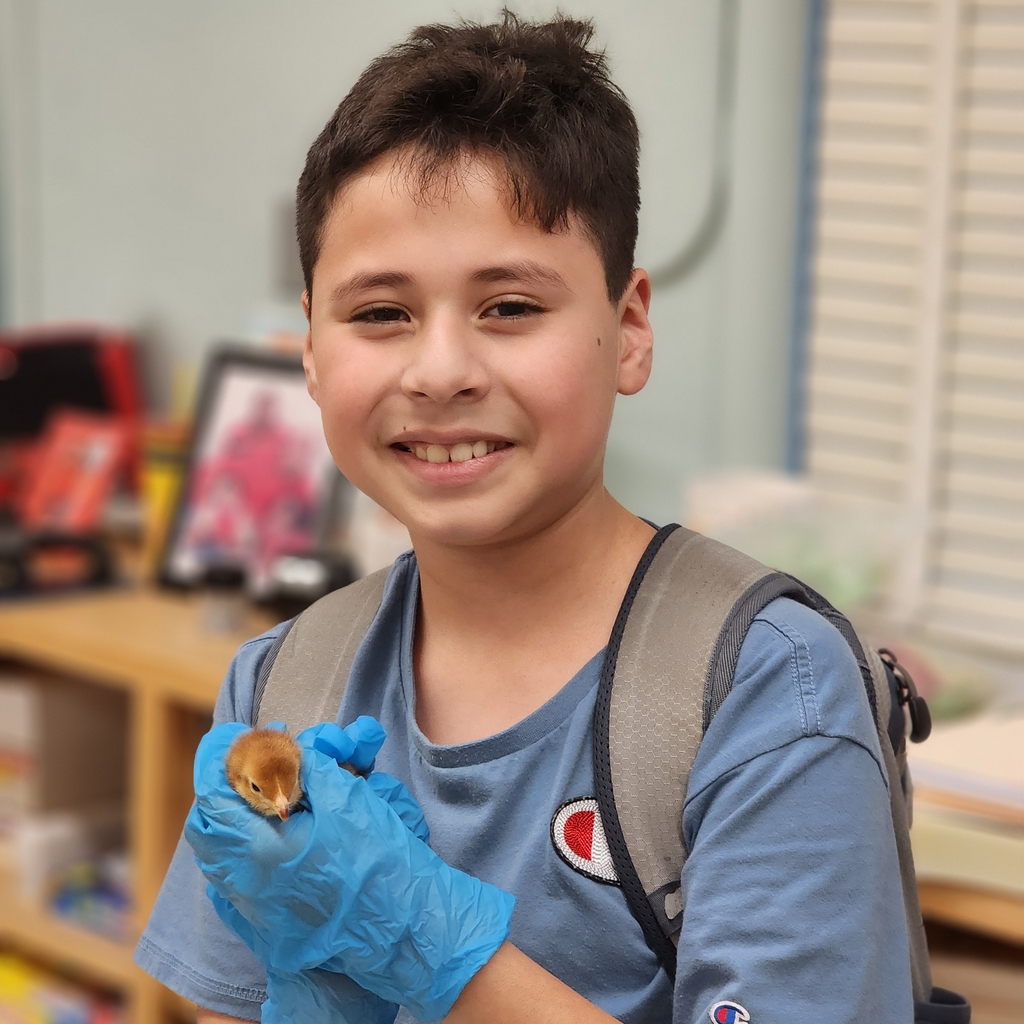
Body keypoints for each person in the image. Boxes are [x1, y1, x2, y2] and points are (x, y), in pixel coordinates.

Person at [135, 12, 914, 1023]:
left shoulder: (765, 691)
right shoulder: (285, 685)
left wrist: (420, 939)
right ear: (312, 354)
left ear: (628, 329)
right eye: (379, 313)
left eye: (509, 307)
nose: (441, 371)